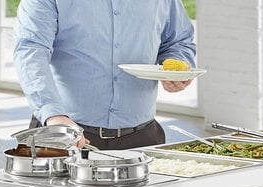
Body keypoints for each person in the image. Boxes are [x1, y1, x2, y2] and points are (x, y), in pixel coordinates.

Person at [13, 0, 196, 150]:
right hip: (64, 133)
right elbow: (30, 51)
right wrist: (53, 114)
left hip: (143, 138)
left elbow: (178, 41)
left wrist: (175, 66)